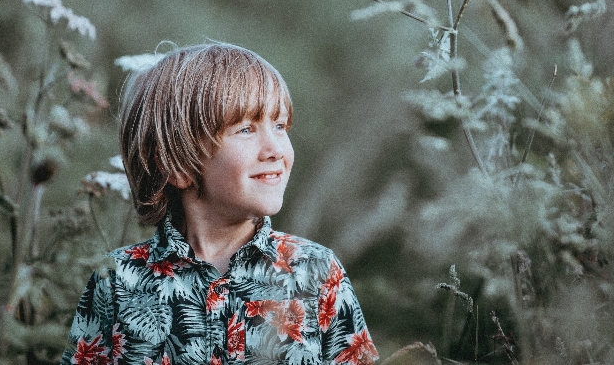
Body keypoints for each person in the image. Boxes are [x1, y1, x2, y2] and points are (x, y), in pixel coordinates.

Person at [60, 43, 379, 365]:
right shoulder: (117, 279)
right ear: (176, 166)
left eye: (280, 126)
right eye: (245, 129)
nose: (275, 149)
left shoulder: (317, 271)